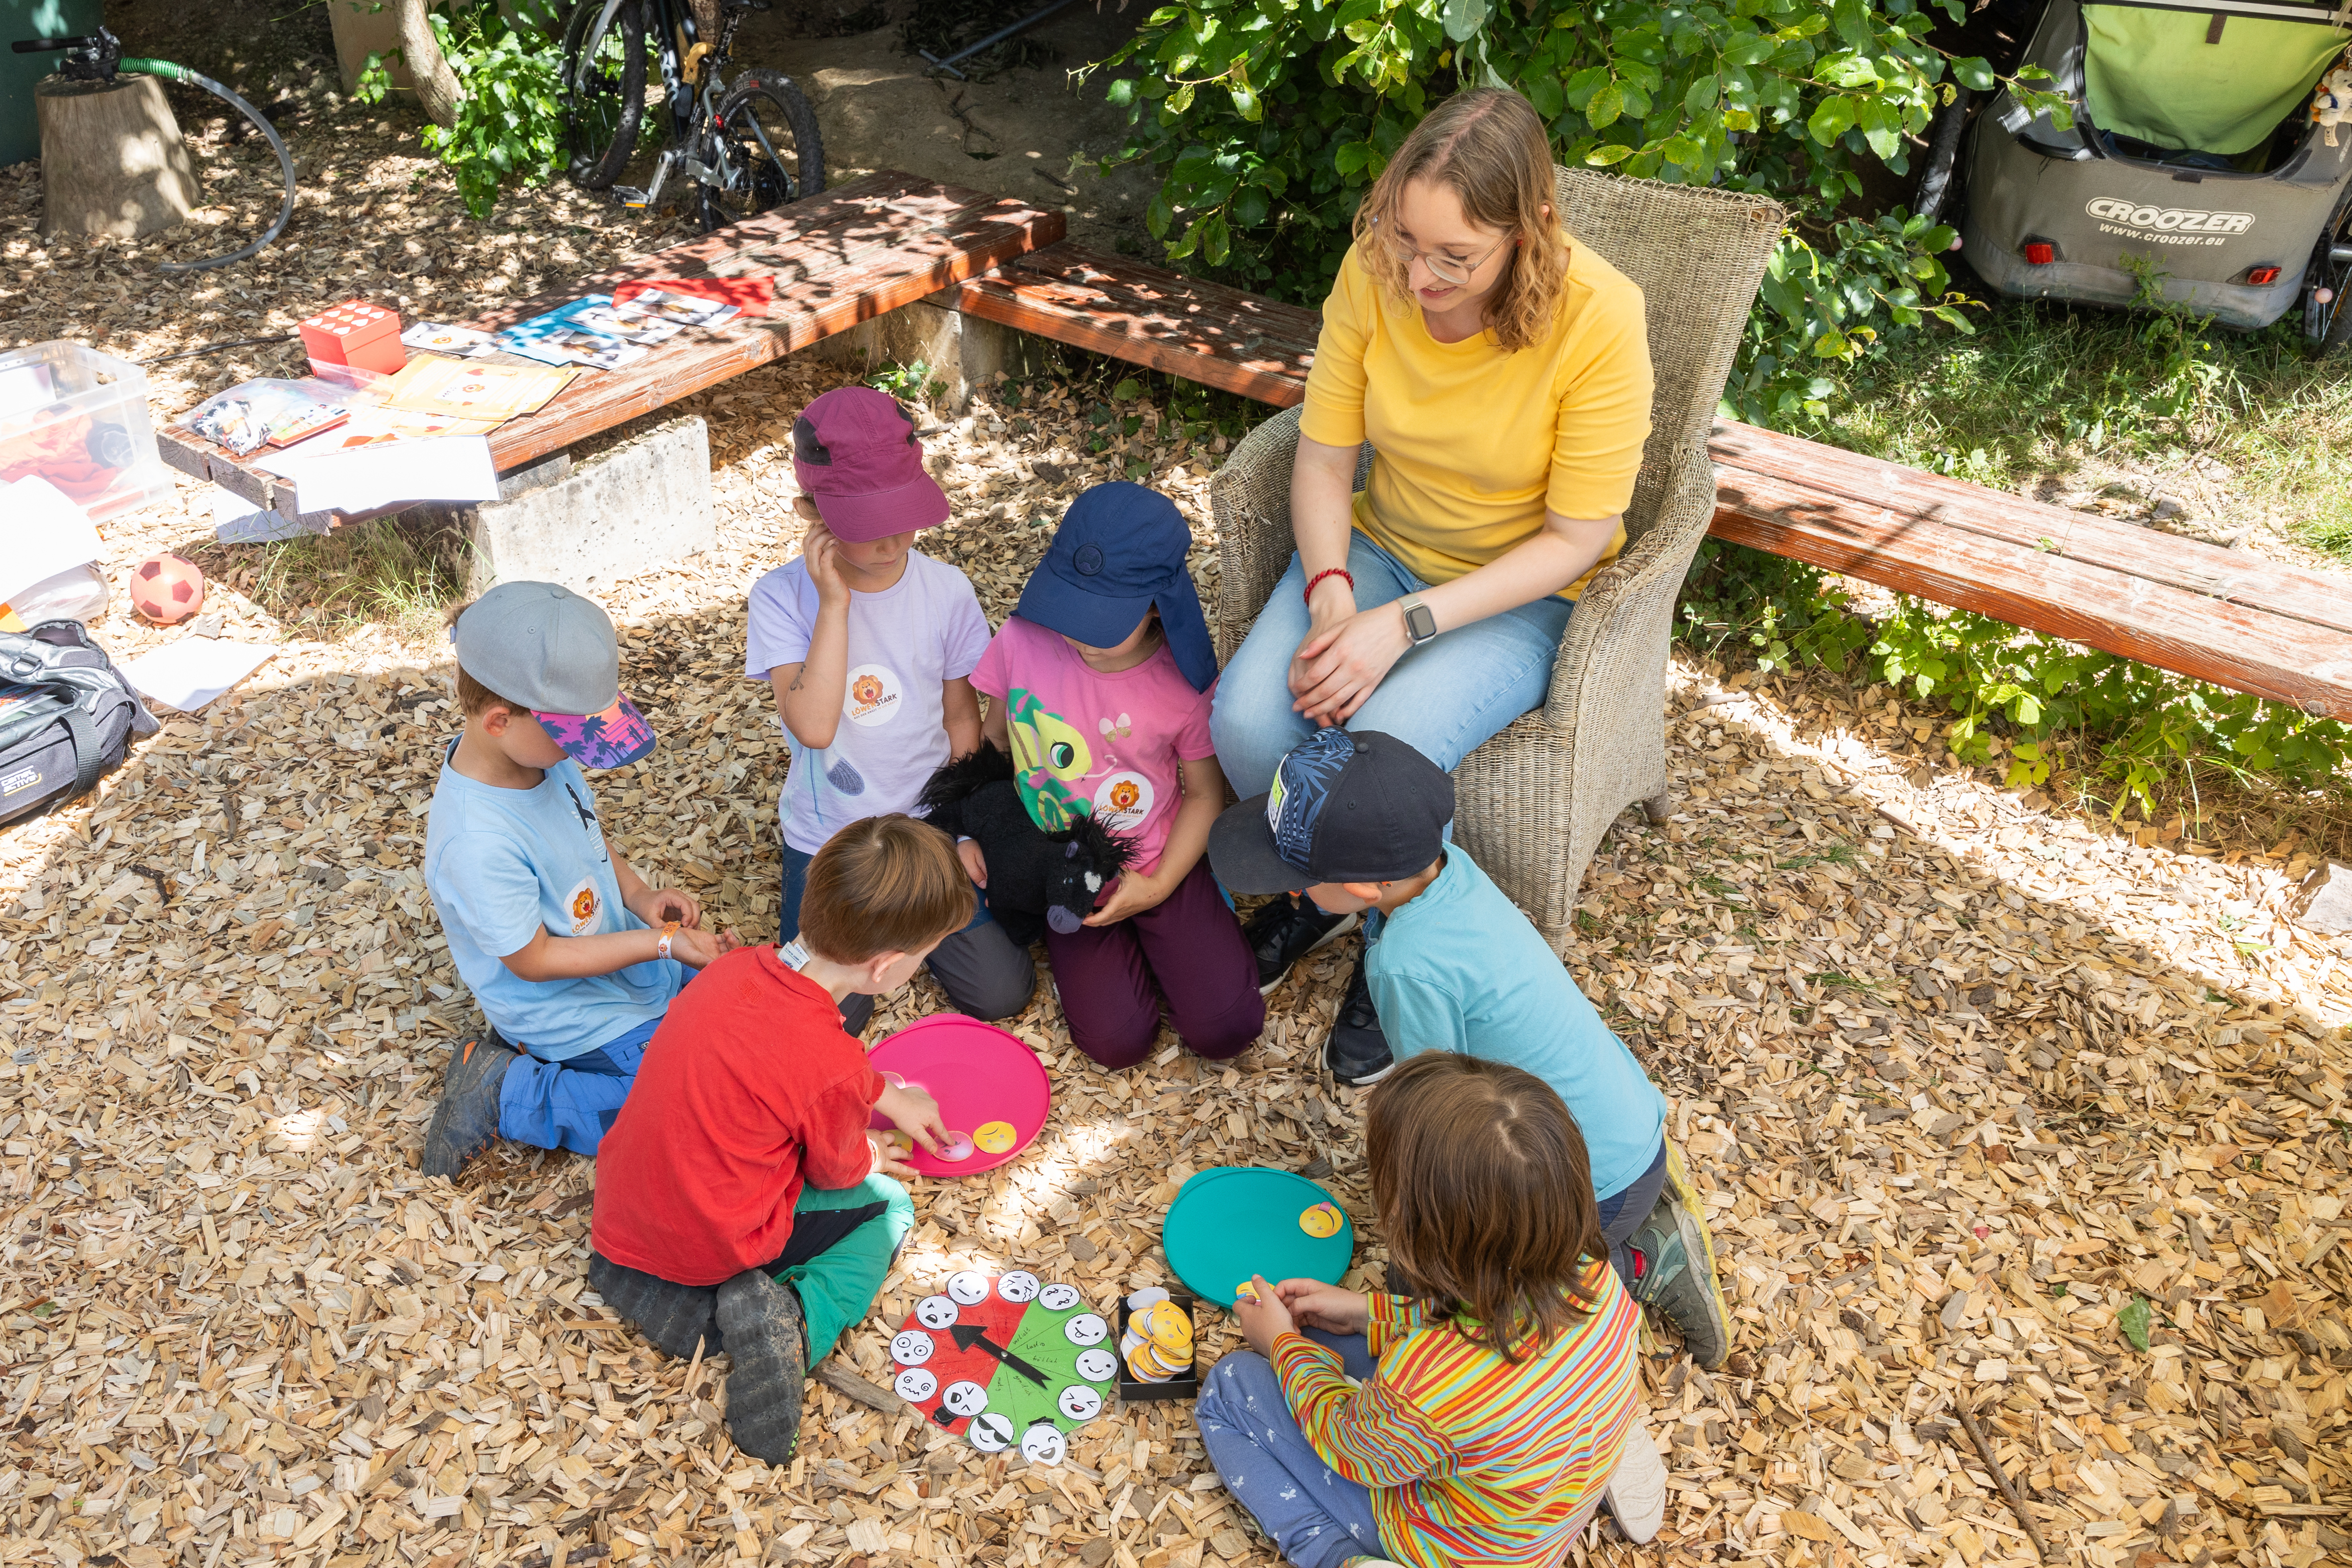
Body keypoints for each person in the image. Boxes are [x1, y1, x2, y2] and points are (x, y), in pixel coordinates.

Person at [1209, 85, 1655, 1081]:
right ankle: (1321, 892)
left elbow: (1576, 538)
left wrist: (1401, 628)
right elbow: (1323, 457)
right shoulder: (1376, 268)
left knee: (1386, 753)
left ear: (1531, 229)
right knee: (1244, 722)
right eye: (1408, 240)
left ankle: (1398, 946)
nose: (1419, 275)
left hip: (1517, 591)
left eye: (1455, 257)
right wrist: (1331, 591)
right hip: (1378, 546)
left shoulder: (1600, 316)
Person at [1208, 727, 1731, 1369]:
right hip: (1626, 1131)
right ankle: (1635, 1225)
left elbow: (1437, 1122)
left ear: (1369, 889)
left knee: (1442, 1293)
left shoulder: (1407, 964)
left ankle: (1637, 1263)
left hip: (1585, 1192)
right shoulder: (1451, 873)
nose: (1290, 894)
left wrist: (1419, 1247)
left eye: (1298, 879)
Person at [585, 815, 968, 1462]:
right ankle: (790, 1319)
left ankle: (657, 1287)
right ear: (884, 968)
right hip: (720, 1238)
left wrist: (884, 1094)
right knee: (885, 1209)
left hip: (621, 1216)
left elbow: (791, 1065)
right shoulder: (831, 1064)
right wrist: (870, 1147)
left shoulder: (731, 970)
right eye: (924, 955)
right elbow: (836, 1172)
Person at [1196, 1052, 1669, 1568]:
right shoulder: (1598, 1279)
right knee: (1330, 1342)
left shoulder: (1422, 1382)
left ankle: (1333, 1554)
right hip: (1538, 1508)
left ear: (1414, 1229)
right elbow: (1474, 1315)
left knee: (1230, 1387)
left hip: (1456, 1550)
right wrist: (1364, 1312)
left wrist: (1281, 1347)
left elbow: (1350, 1450)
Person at [420, 582, 743, 1181]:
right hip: (568, 1011)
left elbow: (587, 833)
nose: (582, 751)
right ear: (498, 720)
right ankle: (507, 1089)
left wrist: (642, 899)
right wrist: (663, 944)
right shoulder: (477, 841)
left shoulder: (542, 756)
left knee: (735, 1038)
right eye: (571, 735)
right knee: (682, 1111)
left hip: (626, 966)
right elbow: (534, 960)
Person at [746, 384, 1034, 1034]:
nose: (893, 537)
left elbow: (962, 719)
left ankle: (914, 926)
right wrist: (833, 607)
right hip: (831, 839)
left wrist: (961, 829)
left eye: (903, 511)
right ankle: (884, 937)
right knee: (822, 1017)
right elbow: (815, 727)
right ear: (809, 512)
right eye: (867, 522)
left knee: (1001, 991)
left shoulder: (946, 591)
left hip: (926, 824)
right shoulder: (779, 598)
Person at [966, 482, 1263, 1068]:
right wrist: (972, 827)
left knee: (1227, 1028)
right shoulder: (1023, 640)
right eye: (1067, 606)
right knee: (1115, 1043)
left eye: (1100, 620)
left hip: (1155, 856)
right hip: (1060, 863)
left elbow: (1204, 793)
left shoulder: (1183, 681)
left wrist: (1156, 888)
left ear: (1159, 604)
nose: (1077, 633)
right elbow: (995, 741)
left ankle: (1190, 911)